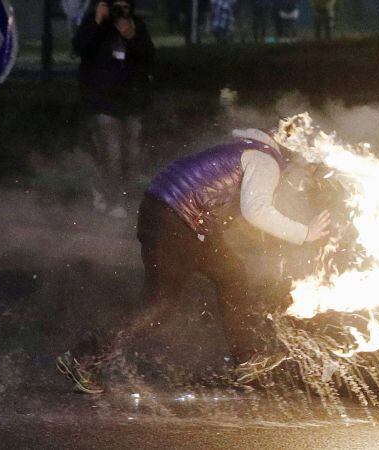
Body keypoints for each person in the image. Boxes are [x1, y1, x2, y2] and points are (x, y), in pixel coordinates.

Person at [57, 127, 332, 394]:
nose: (307, 176)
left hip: (180, 216)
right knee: (161, 301)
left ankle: (247, 358)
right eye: (309, 167)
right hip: (175, 218)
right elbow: (256, 211)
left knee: (232, 274)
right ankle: (83, 357)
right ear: (292, 153)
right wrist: (304, 234)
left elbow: (230, 206)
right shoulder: (265, 161)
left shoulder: (248, 150)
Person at [73, 0, 154, 219]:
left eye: (125, 7)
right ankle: (115, 200)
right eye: (116, 7)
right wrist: (97, 21)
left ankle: (113, 193)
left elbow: (149, 56)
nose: (120, 12)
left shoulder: (136, 26)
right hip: (103, 102)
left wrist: (132, 37)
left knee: (131, 154)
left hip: (131, 103)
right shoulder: (96, 24)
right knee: (112, 153)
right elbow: (79, 47)